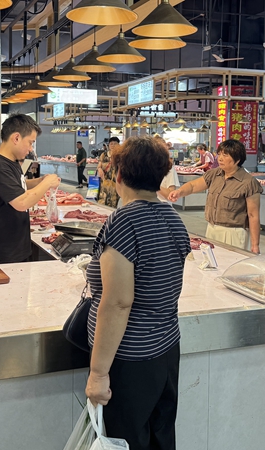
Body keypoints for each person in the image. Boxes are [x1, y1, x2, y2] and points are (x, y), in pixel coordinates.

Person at [85, 135, 191, 450]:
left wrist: (98, 373)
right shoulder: (173, 218)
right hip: (166, 351)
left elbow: (118, 302)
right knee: (161, 438)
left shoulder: (124, 221)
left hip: (129, 360)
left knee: (125, 441)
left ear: (119, 175)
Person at [0, 114, 60, 264]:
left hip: (16, 246)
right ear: (16, 138)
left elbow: (16, 185)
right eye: (30, 142)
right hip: (3, 253)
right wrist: (47, 183)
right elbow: (21, 202)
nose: (30, 149)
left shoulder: (11, 161)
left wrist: (39, 181)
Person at [169, 139, 263, 253]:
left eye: (225, 155)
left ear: (237, 159)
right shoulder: (214, 174)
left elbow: (253, 216)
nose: (220, 158)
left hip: (233, 233)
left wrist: (255, 245)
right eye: (219, 154)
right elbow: (193, 186)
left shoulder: (248, 182)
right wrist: (179, 192)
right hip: (212, 228)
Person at [97, 137, 120, 208]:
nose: (113, 145)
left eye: (115, 144)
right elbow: (99, 166)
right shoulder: (103, 155)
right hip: (104, 181)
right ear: (109, 145)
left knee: (113, 201)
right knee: (103, 199)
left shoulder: (120, 155)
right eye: (111, 144)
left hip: (115, 182)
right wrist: (99, 169)